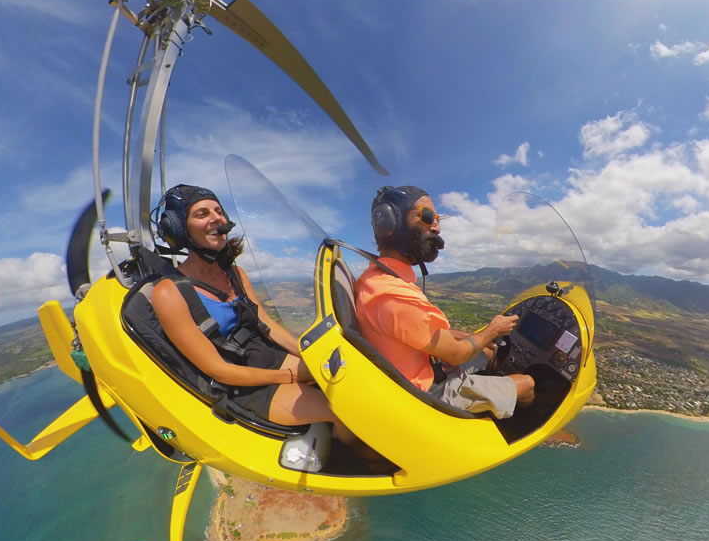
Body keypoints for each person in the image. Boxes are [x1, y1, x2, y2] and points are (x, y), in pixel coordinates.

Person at [150, 184, 367, 453]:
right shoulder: (169, 293)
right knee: (345, 409)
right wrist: (291, 375)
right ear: (179, 229)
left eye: (218, 211)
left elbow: (267, 324)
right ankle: (363, 458)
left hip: (263, 355)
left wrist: (310, 353)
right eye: (202, 214)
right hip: (240, 385)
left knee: (348, 377)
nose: (216, 218)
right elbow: (219, 370)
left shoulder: (235, 273)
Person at [354, 186, 535, 418]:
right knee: (527, 384)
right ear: (390, 224)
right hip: (426, 395)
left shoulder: (374, 279)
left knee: (489, 352)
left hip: (413, 375)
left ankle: (495, 396)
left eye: (438, 220)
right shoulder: (393, 295)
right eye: (428, 217)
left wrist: (465, 337)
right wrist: (493, 329)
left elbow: (413, 330)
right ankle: (511, 422)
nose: (437, 227)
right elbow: (457, 355)